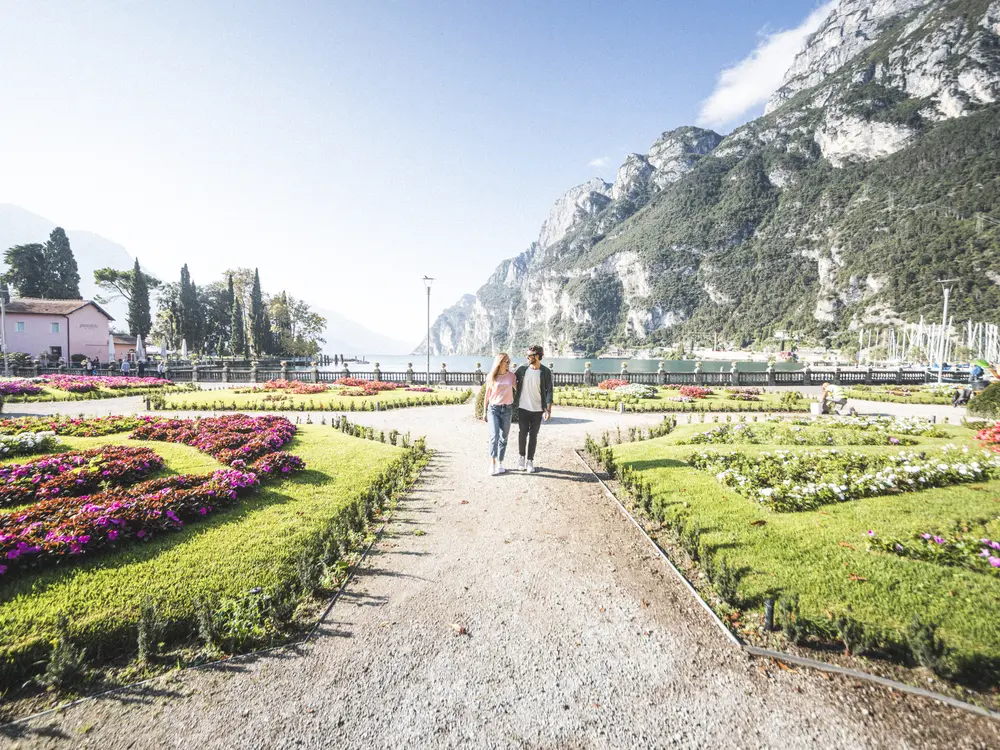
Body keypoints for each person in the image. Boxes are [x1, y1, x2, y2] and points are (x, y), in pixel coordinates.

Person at [512, 344, 553, 473]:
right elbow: (511, 379)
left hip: (537, 409)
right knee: (522, 433)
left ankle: (530, 460)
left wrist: (548, 410)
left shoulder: (545, 371)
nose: (527, 357)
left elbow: (549, 391)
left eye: (530, 355)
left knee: (533, 436)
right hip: (523, 408)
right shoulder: (522, 369)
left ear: (537, 356)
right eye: (527, 355)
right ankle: (521, 457)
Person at [482, 352, 516, 476]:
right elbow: (487, 395)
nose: (508, 363)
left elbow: (519, 390)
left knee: (504, 438)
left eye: (509, 361)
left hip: (507, 409)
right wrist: (484, 411)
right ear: (499, 362)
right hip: (493, 409)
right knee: (494, 436)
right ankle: (492, 463)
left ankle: (500, 463)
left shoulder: (512, 376)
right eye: (505, 361)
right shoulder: (491, 376)